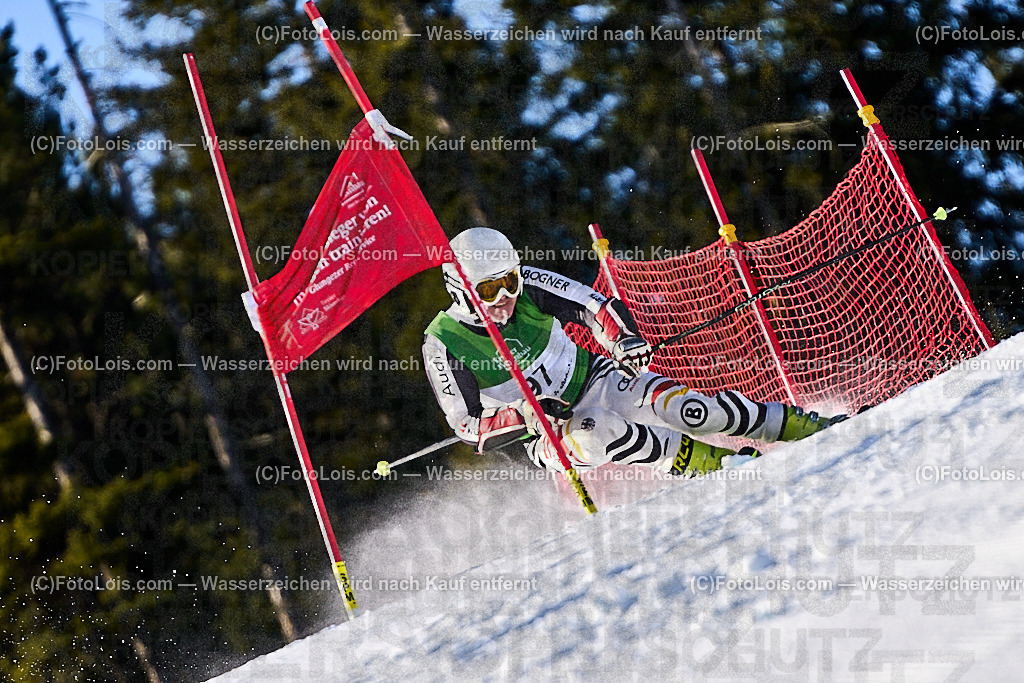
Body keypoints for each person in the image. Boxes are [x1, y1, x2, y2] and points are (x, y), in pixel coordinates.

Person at [422, 228, 844, 477]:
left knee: (685, 407)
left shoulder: (529, 285)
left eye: (509, 281)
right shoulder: (443, 341)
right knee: (596, 432)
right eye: (489, 289)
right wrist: (527, 415)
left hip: (593, 378)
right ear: (460, 290)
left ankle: (805, 425)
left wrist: (623, 339)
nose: (505, 297)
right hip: (543, 434)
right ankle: (718, 465)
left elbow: (594, 306)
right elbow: (466, 425)